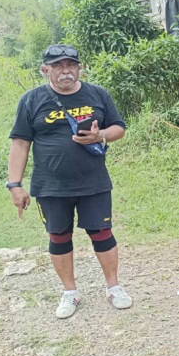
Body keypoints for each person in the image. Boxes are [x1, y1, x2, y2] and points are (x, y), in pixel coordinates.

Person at [7, 44, 132, 319]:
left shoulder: (97, 94)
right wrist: (14, 185)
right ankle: (70, 292)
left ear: (79, 67)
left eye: (71, 65)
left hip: (94, 182)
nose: (66, 71)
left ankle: (114, 287)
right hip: (50, 186)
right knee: (59, 236)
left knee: (102, 234)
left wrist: (100, 137)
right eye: (58, 66)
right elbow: (19, 143)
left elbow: (119, 128)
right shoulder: (31, 100)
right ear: (45, 70)